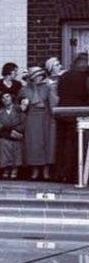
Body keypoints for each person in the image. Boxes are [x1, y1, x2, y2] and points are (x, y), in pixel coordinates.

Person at [55, 52, 89, 183]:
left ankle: (61, 173)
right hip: (79, 115)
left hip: (62, 113)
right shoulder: (85, 77)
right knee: (77, 145)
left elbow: (59, 92)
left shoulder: (64, 76)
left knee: (62, 145)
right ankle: (75, 174)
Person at [19, 65, 56, 180]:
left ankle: (46, 172)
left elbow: (53, 104)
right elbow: (20, 104)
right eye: (36, 76)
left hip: (46, 118)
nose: (39, 78)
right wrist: (24, 104)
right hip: (32, 118)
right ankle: (34, 171)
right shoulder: (25, 89)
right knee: (33, 144)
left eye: (40, 75)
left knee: (47, 143)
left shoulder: (48, 87)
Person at [0, 92, 25, 180]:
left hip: (18, 134)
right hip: (5, 135)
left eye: (7, 96)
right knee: (3, 143)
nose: (6, 99)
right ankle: (6, 168)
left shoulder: (19, 111)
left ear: (11, 98)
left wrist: (15, 131)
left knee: (18, 143)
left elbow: (23, 123)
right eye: (3, 97)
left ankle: (15, 169)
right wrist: (9, 132)